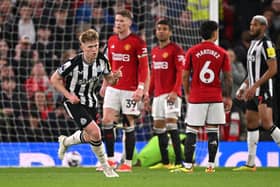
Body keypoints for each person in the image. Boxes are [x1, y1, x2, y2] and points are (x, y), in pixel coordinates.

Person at [50, 29, 121, 178]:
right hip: (73, 102)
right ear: (82, 47)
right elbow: (54, 79)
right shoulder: (73, 63)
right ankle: (107, 167)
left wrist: (116, 77)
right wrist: (69, 95)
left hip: (91, 102)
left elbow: (109, 80)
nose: (94, 50)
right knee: (96, 132)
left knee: (90, 136)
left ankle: (66, 141)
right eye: (90, 47)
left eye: (96, 46)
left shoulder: (102, 60)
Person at [174, 20, 232, 173]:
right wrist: (228, 97)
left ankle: (187, 166)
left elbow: (185, 76)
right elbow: (228, 77)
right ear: (214, 33)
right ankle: (211, 166)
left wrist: (187, 93)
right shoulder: (222, 53)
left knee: (192, 129)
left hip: (197, 96)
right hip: (215, 97)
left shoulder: (192, 51)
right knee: (213, 130)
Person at [100, 9, 149, 172]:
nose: (118, 24)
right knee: (107, 121)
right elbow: (109, 65)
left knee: (128, 124)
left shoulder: (137, 42)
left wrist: (141, 88)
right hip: (113, 88)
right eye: (116, 21)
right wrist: (104, 84)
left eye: (121, 21)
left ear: (129, 22)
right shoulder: (112, 40)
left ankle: (127, 163)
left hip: (130, 90)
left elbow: (144, 68)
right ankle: (111, 160)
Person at [233, 15, 280, 171]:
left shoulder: (267, 44)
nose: (251, 27)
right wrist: (243, 86)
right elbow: (252, 72)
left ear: (263, 27)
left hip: (264, 89)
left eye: (255, 25)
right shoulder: (253, 44)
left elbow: (273, 69)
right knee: (251, 124)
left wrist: (255, 86)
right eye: (251, 24)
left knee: (267, 124)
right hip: (252, 91)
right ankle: (250, 163)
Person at [146, 19, 184, 170]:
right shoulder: (155, 51)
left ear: (170, 32)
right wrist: (148, 94)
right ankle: (165, 162)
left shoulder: (176, 50)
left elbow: (181, 72)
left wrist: (175, 90)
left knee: (171, 125)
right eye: (159, 29)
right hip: (158, 96)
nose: (161, 31)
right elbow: (154, 75)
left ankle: (180, 162)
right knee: (159, 127)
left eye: (164, 29)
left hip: (171, 94)